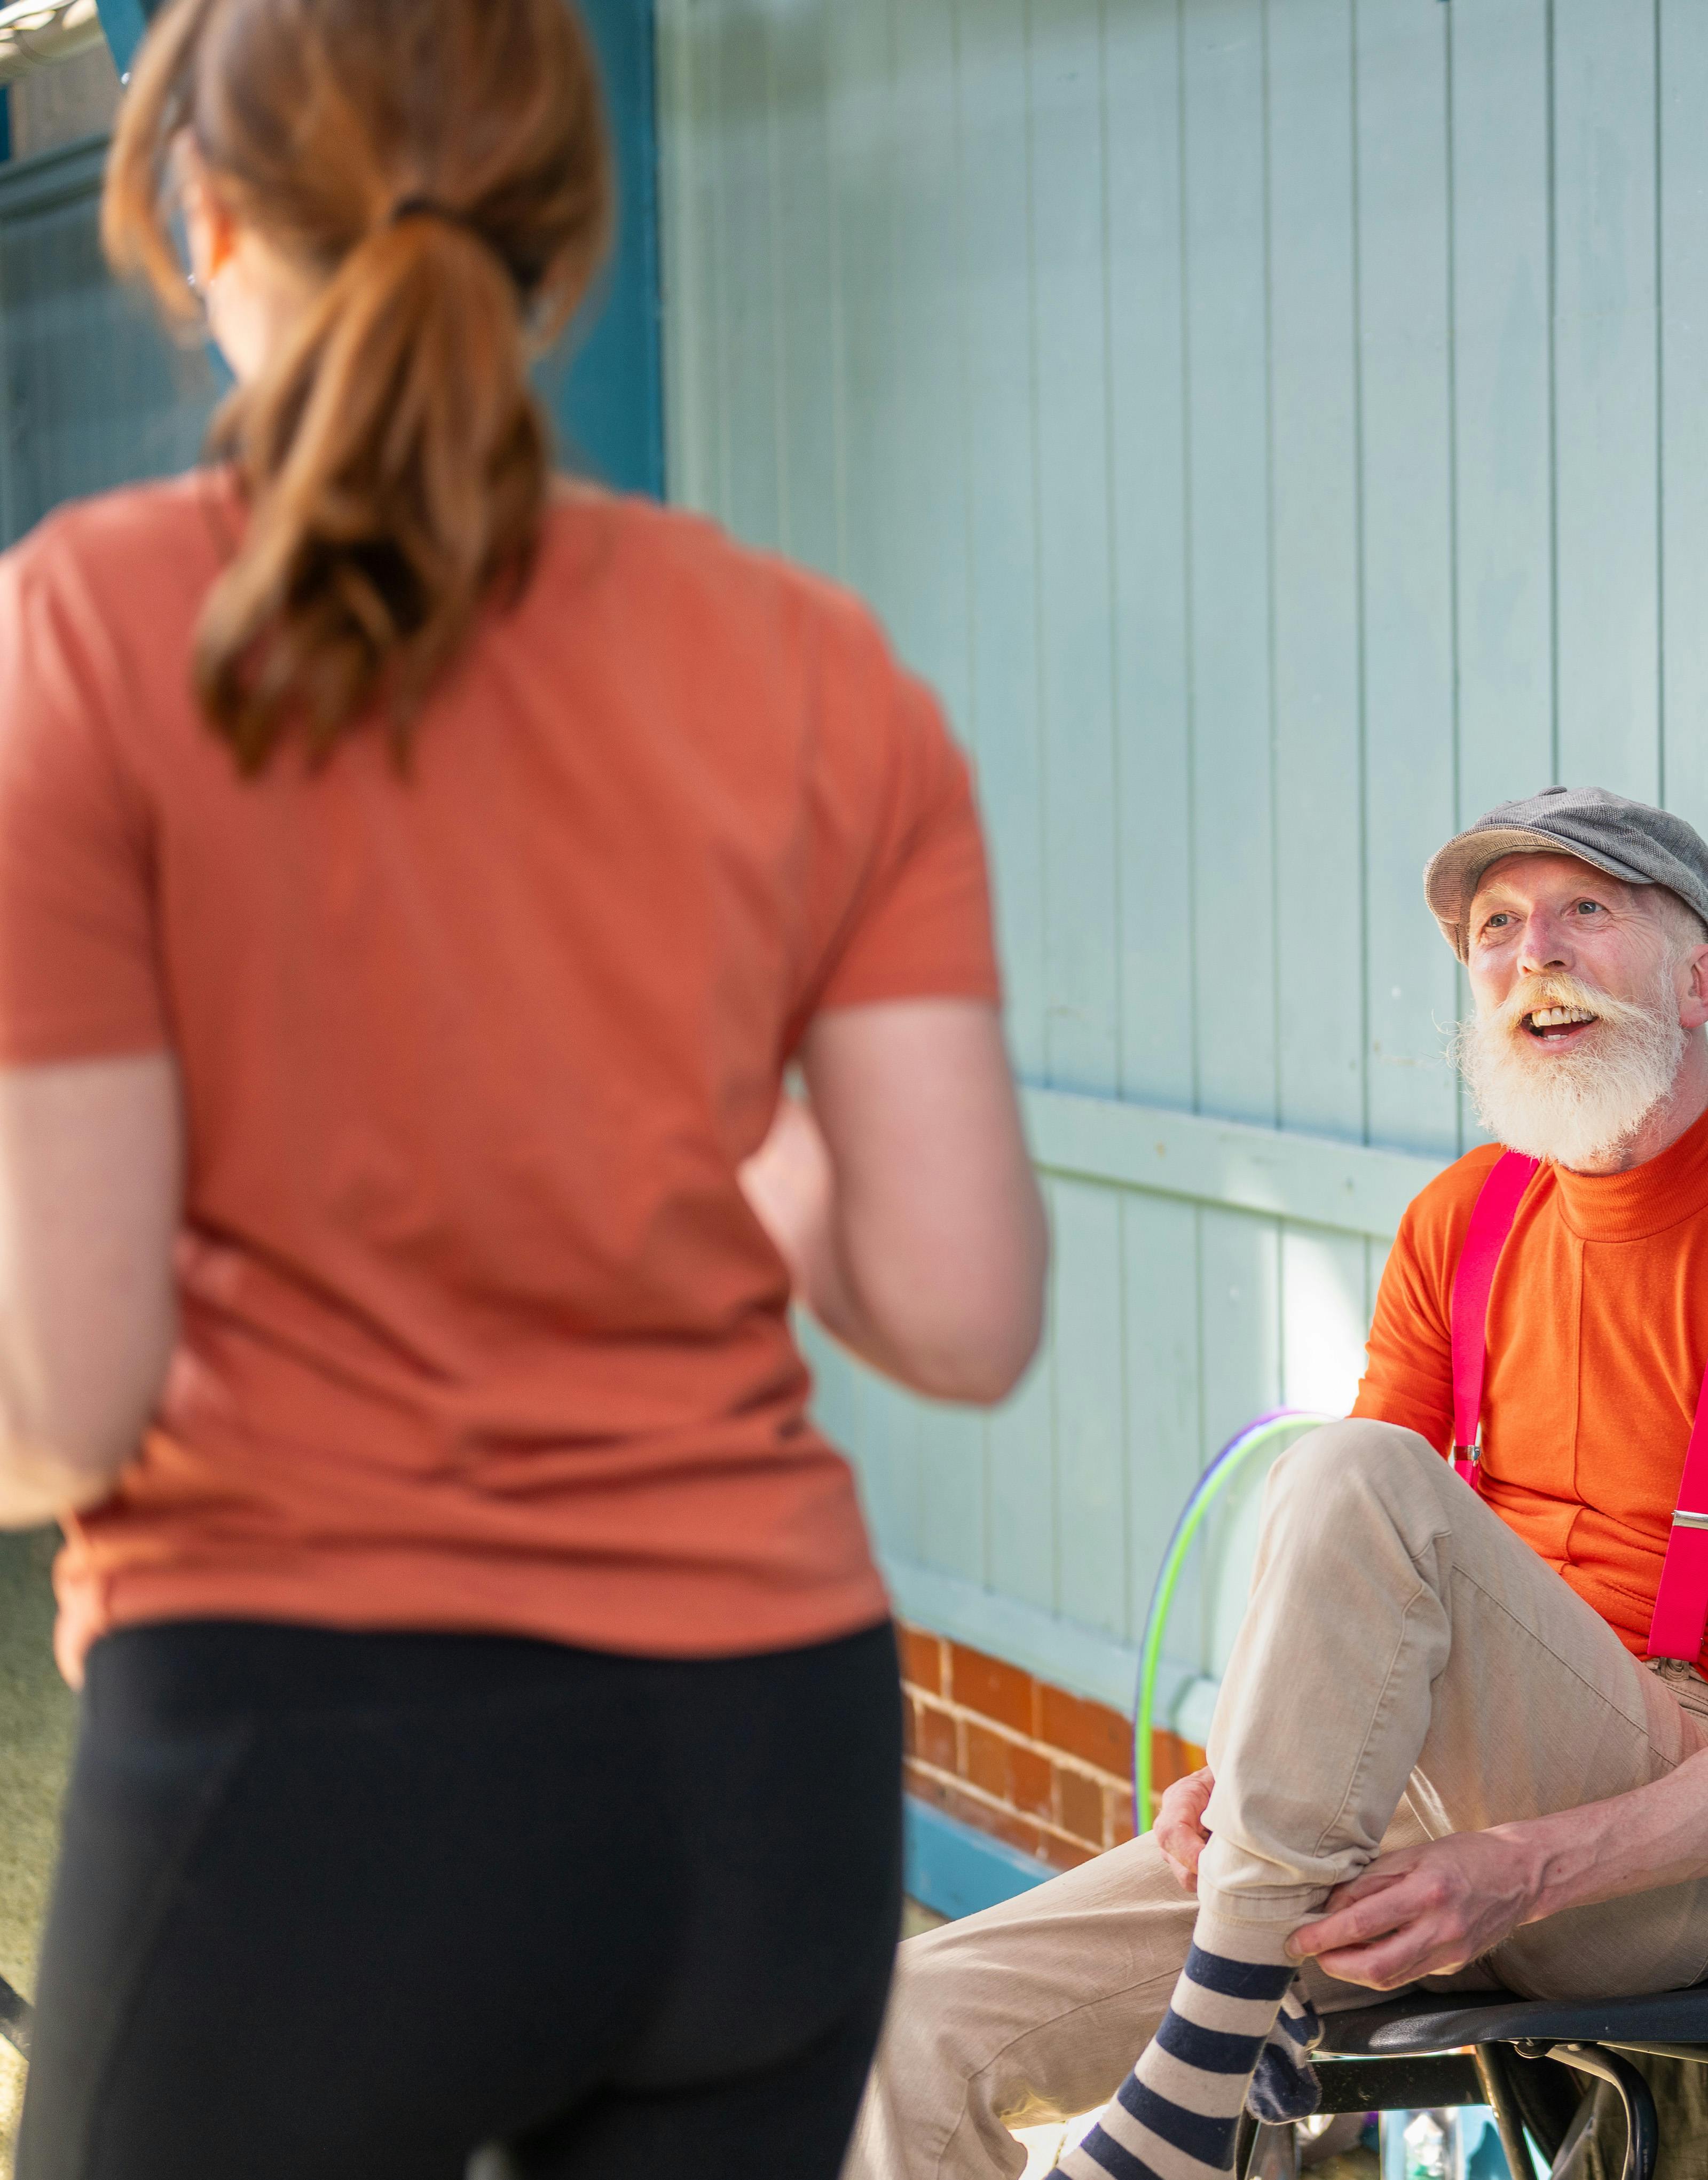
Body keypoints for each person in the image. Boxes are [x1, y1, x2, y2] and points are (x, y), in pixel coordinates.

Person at [0, 1, 1048, 2172]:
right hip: (758, 1778)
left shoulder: (90, 632)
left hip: (309, 1764)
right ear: (568, 239)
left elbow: (61, 1397)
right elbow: (960, 1309)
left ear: (196, 218)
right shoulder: (814, 665)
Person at [849, 787, 1708, 2180]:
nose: (1531, 951)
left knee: (1359, 1466)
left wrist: (1528, 1865)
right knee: (910, 2029)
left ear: (1700, 976)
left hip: (1655, 1854)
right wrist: (1243, 1760)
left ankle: (1205, 2071)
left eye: (1585, 912)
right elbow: (1348, 1575)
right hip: (1403, 1812)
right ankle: (1225, 2026)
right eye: (1494, 926)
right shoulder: (1458, 1221)